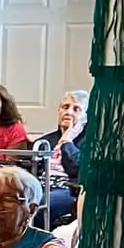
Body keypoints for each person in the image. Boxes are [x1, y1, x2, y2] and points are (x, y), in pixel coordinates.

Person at [44, 89, 86, 226]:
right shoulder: (45, 140)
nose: (69, 112)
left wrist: (67, 140)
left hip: (68, 190)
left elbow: (76, 169)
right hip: (41, 186)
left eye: (76, 109)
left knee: (43, 203)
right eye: (65, 107)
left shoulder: (89, 143)